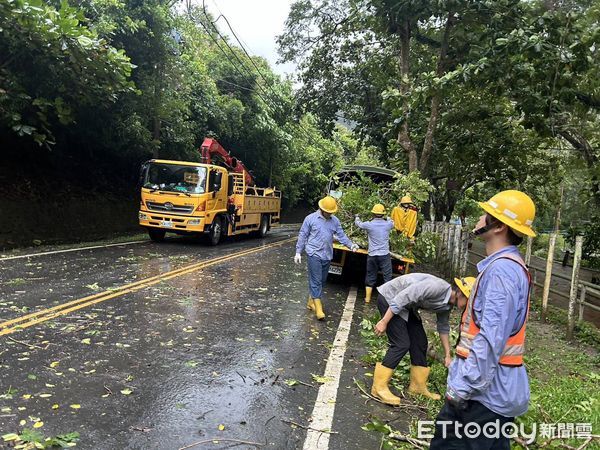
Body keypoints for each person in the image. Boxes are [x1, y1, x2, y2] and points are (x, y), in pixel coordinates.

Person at [430, 190, 536, 450]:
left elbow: (491, 339)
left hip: (481, 398)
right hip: (493, 394)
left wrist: (462, 388)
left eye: (486, 214)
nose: (479, 217)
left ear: (498, 226)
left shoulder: (501, 273)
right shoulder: (505, 268)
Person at [371, 274, 475, 406]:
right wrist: (384, 321)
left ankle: (417, 387)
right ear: (460, 293)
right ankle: (378, 387)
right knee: (401, 344)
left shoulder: (448, 304)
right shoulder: (436, 288)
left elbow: (443, 326)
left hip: (408, 307)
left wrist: (447, 354)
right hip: (391, 299)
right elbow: (402, 297)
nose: (469, 306)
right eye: (469, 300)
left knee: (420, 343)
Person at [294, 196, 358, 320]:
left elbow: (342, 236)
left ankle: (310, 302)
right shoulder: (310, 219)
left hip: (327, 255)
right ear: (321, 209)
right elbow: (303, 235)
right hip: (314, 254)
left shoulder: (335, 221)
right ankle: (319, 310)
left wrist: (351, 245)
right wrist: (298, 252)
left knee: (322, 281)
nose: (329, 214)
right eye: (328, 212)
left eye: (331, 212)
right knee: (316, 281)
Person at [355, 204, 395, 303]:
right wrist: (389, 217)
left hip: (372, 255)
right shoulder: (388, 224)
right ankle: (387, 299)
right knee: (387, 276)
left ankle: (367, 298)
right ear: (383, 214)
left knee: (371, 275)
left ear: (373, 213)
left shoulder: (369, 224)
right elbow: (392, 222)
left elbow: (358, 224)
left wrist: (357, 217)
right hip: (384, 255)